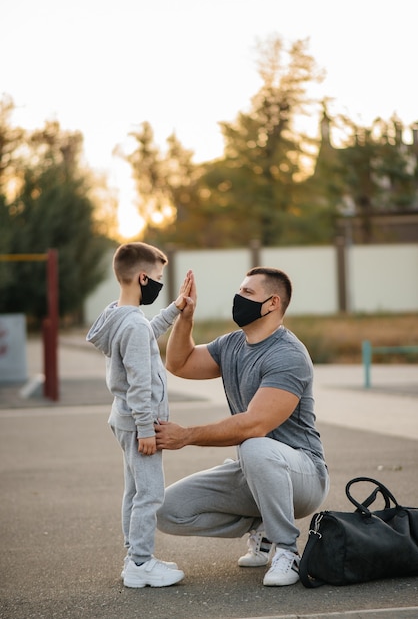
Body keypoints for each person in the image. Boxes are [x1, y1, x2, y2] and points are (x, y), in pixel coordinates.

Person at [155, 266, 329, 587]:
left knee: (254, 444)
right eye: (240, 291)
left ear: (273, 303)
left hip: (304, 476)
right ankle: (260, 526)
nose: (238, 298)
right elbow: (178, 363)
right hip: (255, 471)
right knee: (165, 510)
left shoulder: (287, 354)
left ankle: (287, 551)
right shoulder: (233, 344)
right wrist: (187, 317)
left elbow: (255, 424)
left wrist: (186, 436)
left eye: (248, 293)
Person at [86, 242, 192, 588]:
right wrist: (147, 429)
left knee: (134, 492)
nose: (160, 284)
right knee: (149, 494)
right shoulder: (132, 326)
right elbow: (139, 382)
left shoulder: (119, 315)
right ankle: (141, 564)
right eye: (158, 278)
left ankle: (135, 553)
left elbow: (146, 332)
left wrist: (174, 309)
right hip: (139, 424)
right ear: (143, 278)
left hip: (124, 420)